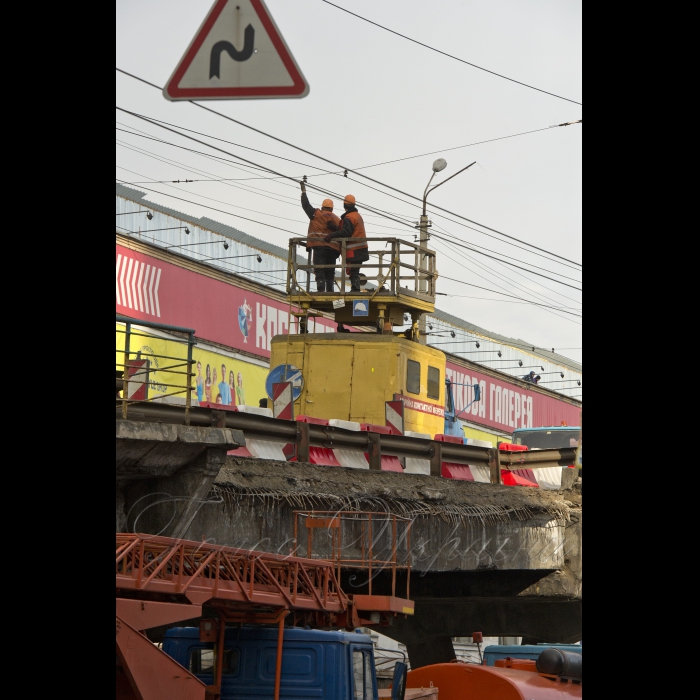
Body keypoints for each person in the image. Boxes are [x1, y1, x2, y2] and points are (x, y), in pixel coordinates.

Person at [299, 181, 341, 292]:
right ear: (332, 208)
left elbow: (305, 205)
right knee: (330, 270)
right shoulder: (337, 219)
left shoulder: (316, 214)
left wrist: (303, 192)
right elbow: (344, 231)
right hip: (333, 249)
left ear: (322, 207)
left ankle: (321, 290)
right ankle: (330, 290)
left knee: (320, 269)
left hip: (319, 246)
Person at [324, 194, 368, 292]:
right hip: (362, 248)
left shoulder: (349, 217)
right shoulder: (357, 216)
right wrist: (334, 227)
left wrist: (331, 235)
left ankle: (355, 289)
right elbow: (348, 229)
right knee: (355, 270)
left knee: (353, 271)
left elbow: (346, 232)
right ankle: (355, 288)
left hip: (355, 249)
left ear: (344, 205)